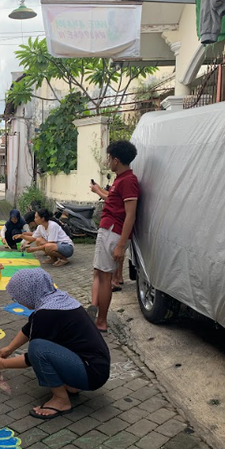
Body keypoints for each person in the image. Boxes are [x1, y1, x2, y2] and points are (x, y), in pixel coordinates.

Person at [0, 269, 110, 420]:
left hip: (91, 372)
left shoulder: (48, 312)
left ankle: (61, 401)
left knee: (38, 348)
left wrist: (2, 364)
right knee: (41, 346)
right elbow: (30, 327)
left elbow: (34, 356)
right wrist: (9, 349)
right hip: (94, 366)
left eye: (17, 297)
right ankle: (72, 385)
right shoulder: (56, 300)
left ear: (28, 293)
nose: (18, 301)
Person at [89, 140, 139, 332]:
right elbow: (113, 200)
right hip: (109, 230)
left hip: (112, 232)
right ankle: (95, 311)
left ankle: (101, 321)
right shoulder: (121, 179)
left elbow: (131, 214)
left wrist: (120, 245)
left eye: (109, 158)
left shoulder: (128, 181)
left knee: (104, 278)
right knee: (99, 274)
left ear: (116, 160)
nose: (108, 161)